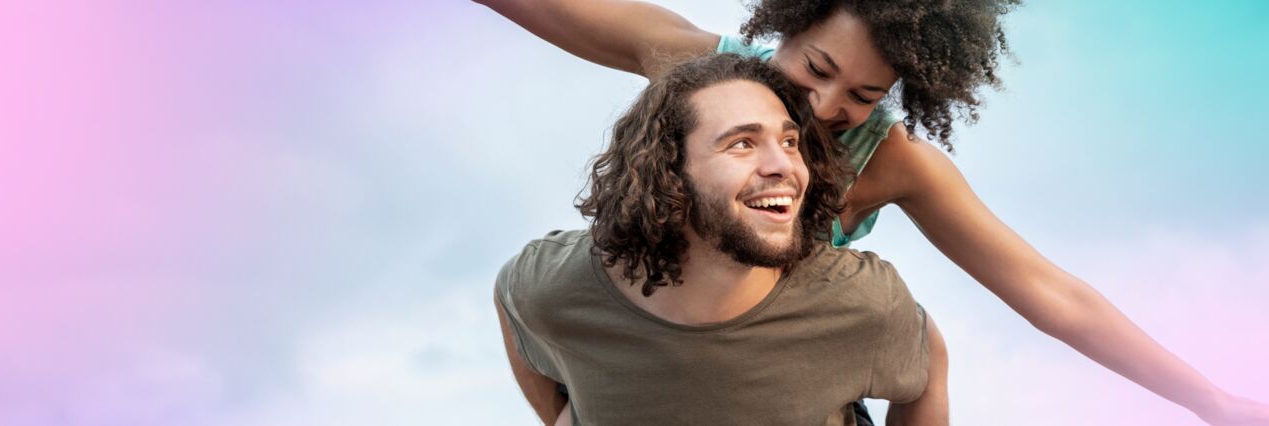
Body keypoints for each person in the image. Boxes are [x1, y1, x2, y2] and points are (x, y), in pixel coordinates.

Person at [474, 0, 1269, 424]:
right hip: (654, 346)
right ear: (786, 23)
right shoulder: (699, 68)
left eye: (861, 95)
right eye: (814, 68)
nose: (820, 108)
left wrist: (1208, 400)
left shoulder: (894, 164)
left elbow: (1051, 294)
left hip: (787, 382)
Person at [495, 54, 942, 426]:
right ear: (669, 172)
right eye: (742, 144)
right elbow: (511, 296)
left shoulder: (860, 300)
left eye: (789, 141)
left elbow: (927, 358)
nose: (784, 166)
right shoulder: (554, 284)